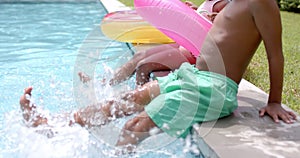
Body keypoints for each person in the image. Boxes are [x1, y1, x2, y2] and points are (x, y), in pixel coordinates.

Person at [20, 0, 297, 153]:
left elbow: (276, 54)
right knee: (127, 99)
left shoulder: (262, 1)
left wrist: (273, 101)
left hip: (212, 89)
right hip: (193, 77)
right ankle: (49, 124)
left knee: (134, 126)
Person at [79, 0, 229, 86]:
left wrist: (214, 19)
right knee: (138, 57)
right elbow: (199, 21)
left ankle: (140, 103)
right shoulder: (210, 1)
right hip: (184, 45)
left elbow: (226, 31)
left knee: (145, 65)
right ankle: (104, 83)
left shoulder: (224, 5)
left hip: (194, 53)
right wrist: (194, 10)